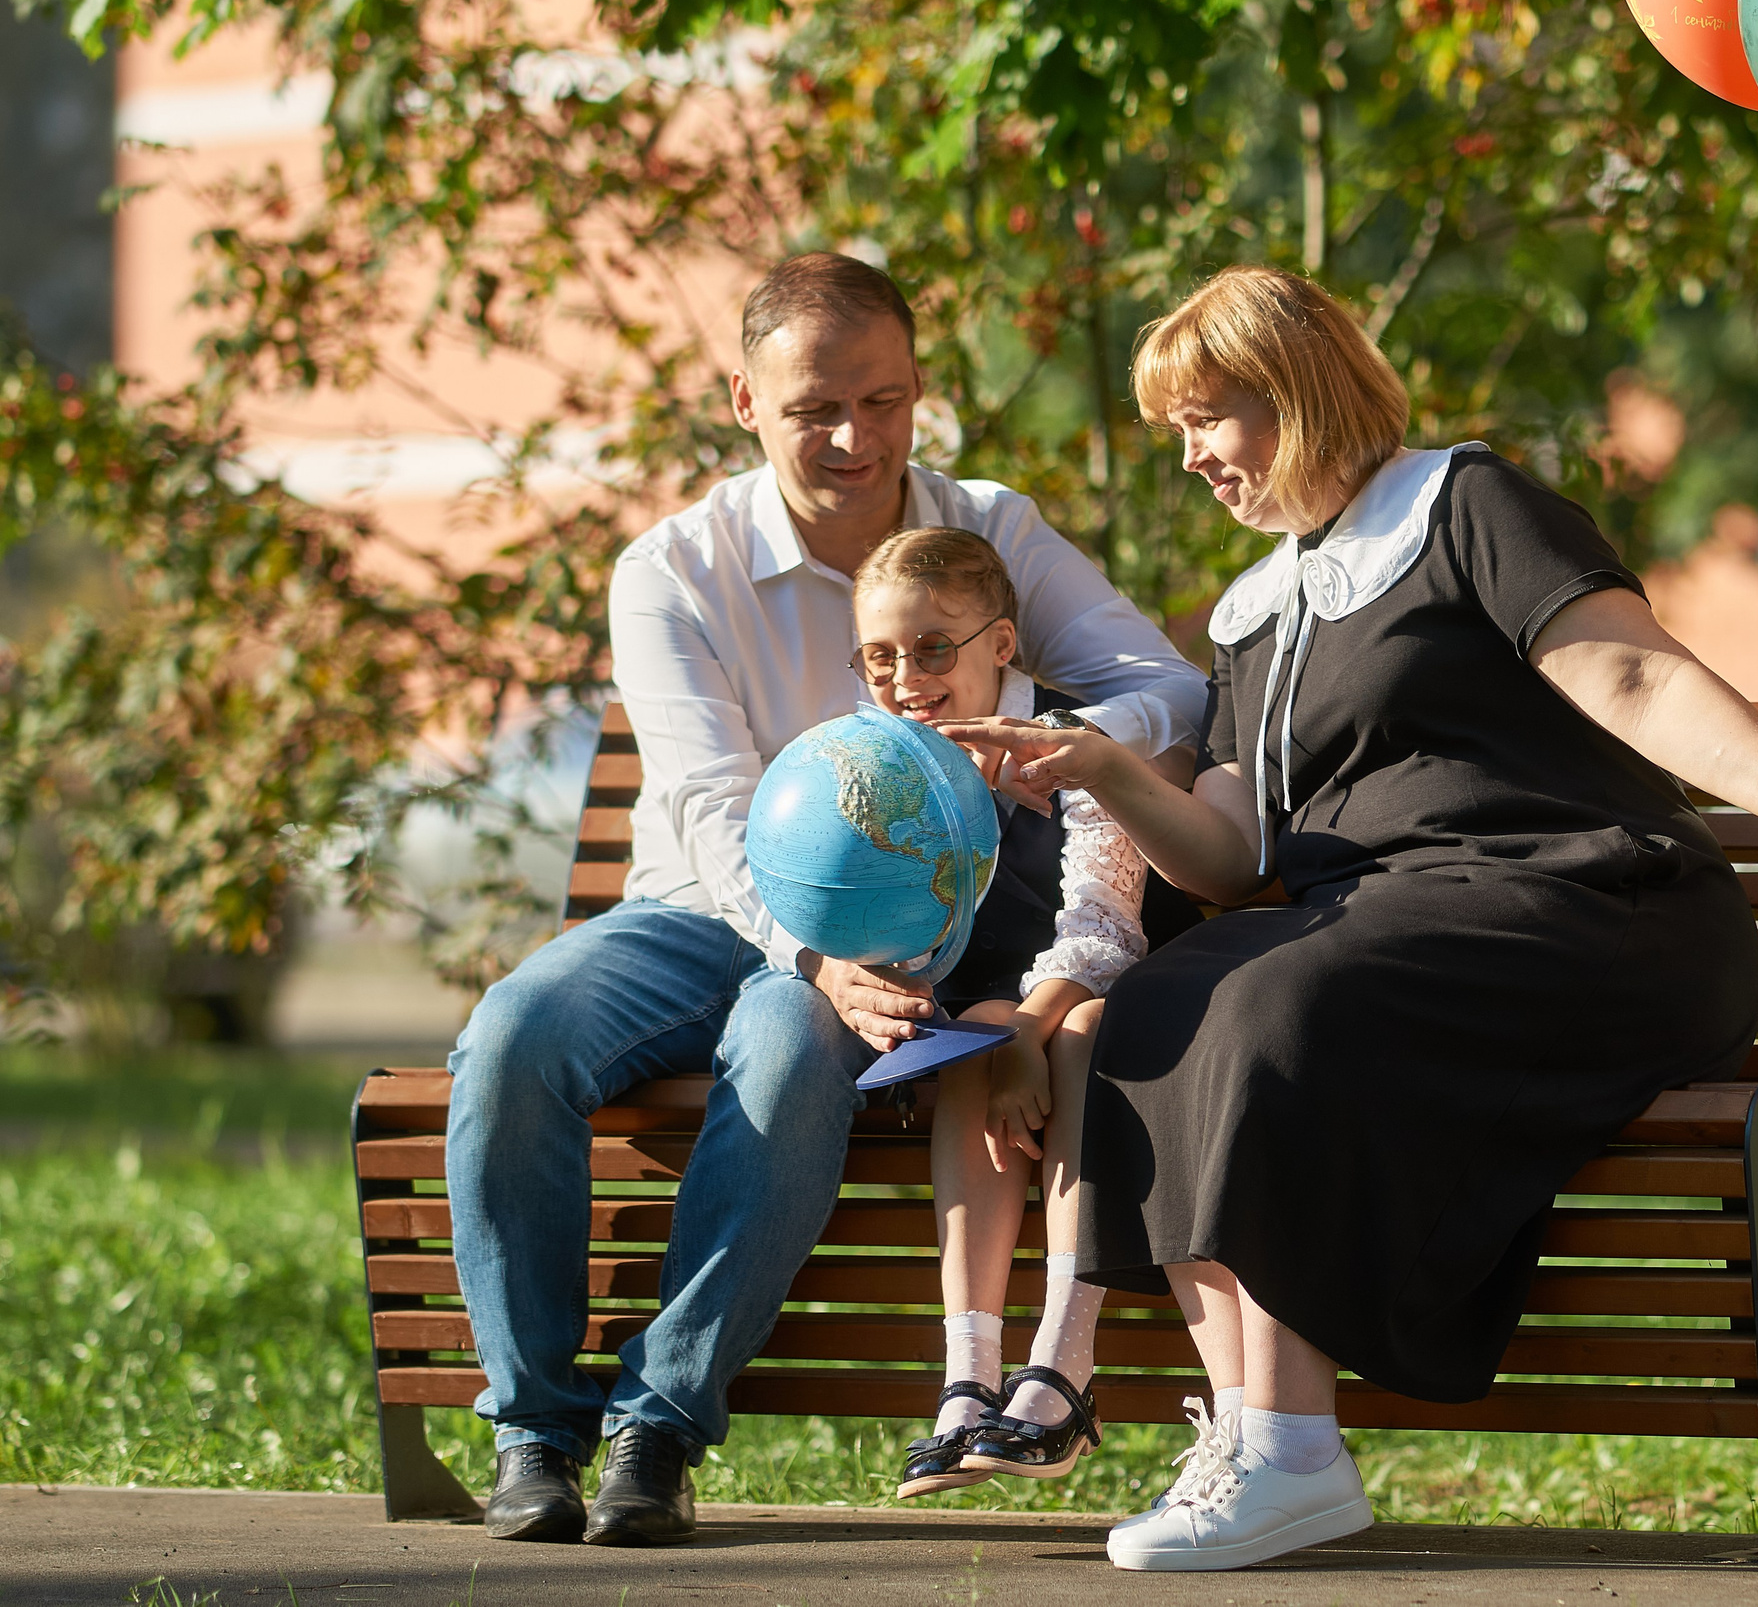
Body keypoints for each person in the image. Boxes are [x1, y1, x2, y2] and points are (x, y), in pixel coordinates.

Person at [946, 265, 1758, 1573]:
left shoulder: (1463, 501)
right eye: (1176, 430)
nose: (1190, 457)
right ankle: (1251, 1432)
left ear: (1295, 391)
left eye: (1209, 417)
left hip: (1591, 904)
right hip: (1394, 930)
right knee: (1151, 1008)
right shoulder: (1256, 612)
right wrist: (1110, 772)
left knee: (1270, 999)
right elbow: (1234, 850)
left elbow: (1629, 665)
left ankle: (1297, 1450)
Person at [444, 253, 1206, 1547]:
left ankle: (660, 1430)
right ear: (745, 400)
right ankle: (533, 1427)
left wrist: (1039, 737)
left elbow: (1170, 688)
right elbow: (704, 803)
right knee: (513, 1036)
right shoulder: (676, 566)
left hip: (892, 938)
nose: (856, 438)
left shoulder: (989, 531)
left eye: (886, 399)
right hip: (699, 911)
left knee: (792, 1060)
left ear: (918, 390)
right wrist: (801, 952)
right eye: (815, 409)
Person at [840, 527, 1164, 1501]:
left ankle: (1063, 1369)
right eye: (881, 656)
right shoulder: (876, 769)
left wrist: (1030, 1022)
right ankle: (969, 1382)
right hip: (989, 1011)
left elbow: (1104, 926)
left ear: (1001, 646)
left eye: (934, 647)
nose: (906, 676)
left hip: (1114, 993)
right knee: (976, 1036)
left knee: (1068, 1031)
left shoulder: (1076, 744)